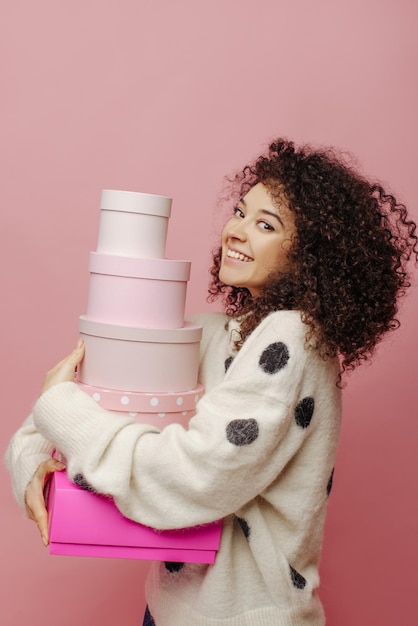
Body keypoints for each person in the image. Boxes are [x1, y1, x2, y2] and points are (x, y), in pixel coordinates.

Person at [5, 138, 418, 626]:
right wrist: (32, 462)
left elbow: (195, 477)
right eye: (241, 212)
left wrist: (60, 408)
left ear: (311, 255)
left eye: (266, 225)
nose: (236, 231)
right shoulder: (214, 335)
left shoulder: (293, 340)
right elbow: (67, 404)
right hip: (168, 610)